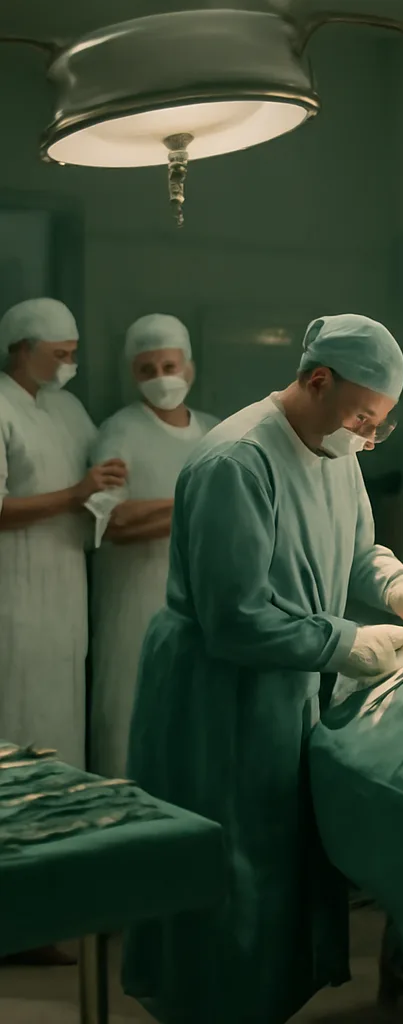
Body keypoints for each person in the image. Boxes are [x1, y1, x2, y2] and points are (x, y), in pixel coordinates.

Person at [121, 313, 403, 1024]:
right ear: (316, 380)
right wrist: (345, 643)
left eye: (379, 425)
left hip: (289, 680)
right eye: (363, 416)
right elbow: (234, 616)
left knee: (279, 861)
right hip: (217, 690)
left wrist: (399, 586)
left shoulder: (338, 452)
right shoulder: (236, 459)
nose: (367, 435)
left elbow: (359, 550)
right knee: (228, 868)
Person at [0, 297, 127, 968]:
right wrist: (75, 495)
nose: (72, 365)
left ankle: (46, 909)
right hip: (12, 603)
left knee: (55, 742)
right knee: (14, 739)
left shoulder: (69, 411)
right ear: (23, 348)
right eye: (61, 354)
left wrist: (108, 485)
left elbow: (91, 481)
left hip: (66, 600)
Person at [87, 314, 219, 779]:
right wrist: (193, 503)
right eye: (148, 369)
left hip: (199, 605)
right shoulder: (119, 432)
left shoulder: (214, 434)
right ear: (132, 375)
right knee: (128, 716)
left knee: (194, 725)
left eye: (170, 365)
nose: (162, 378)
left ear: (190, 368)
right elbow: (111, 521)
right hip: (133, 602)